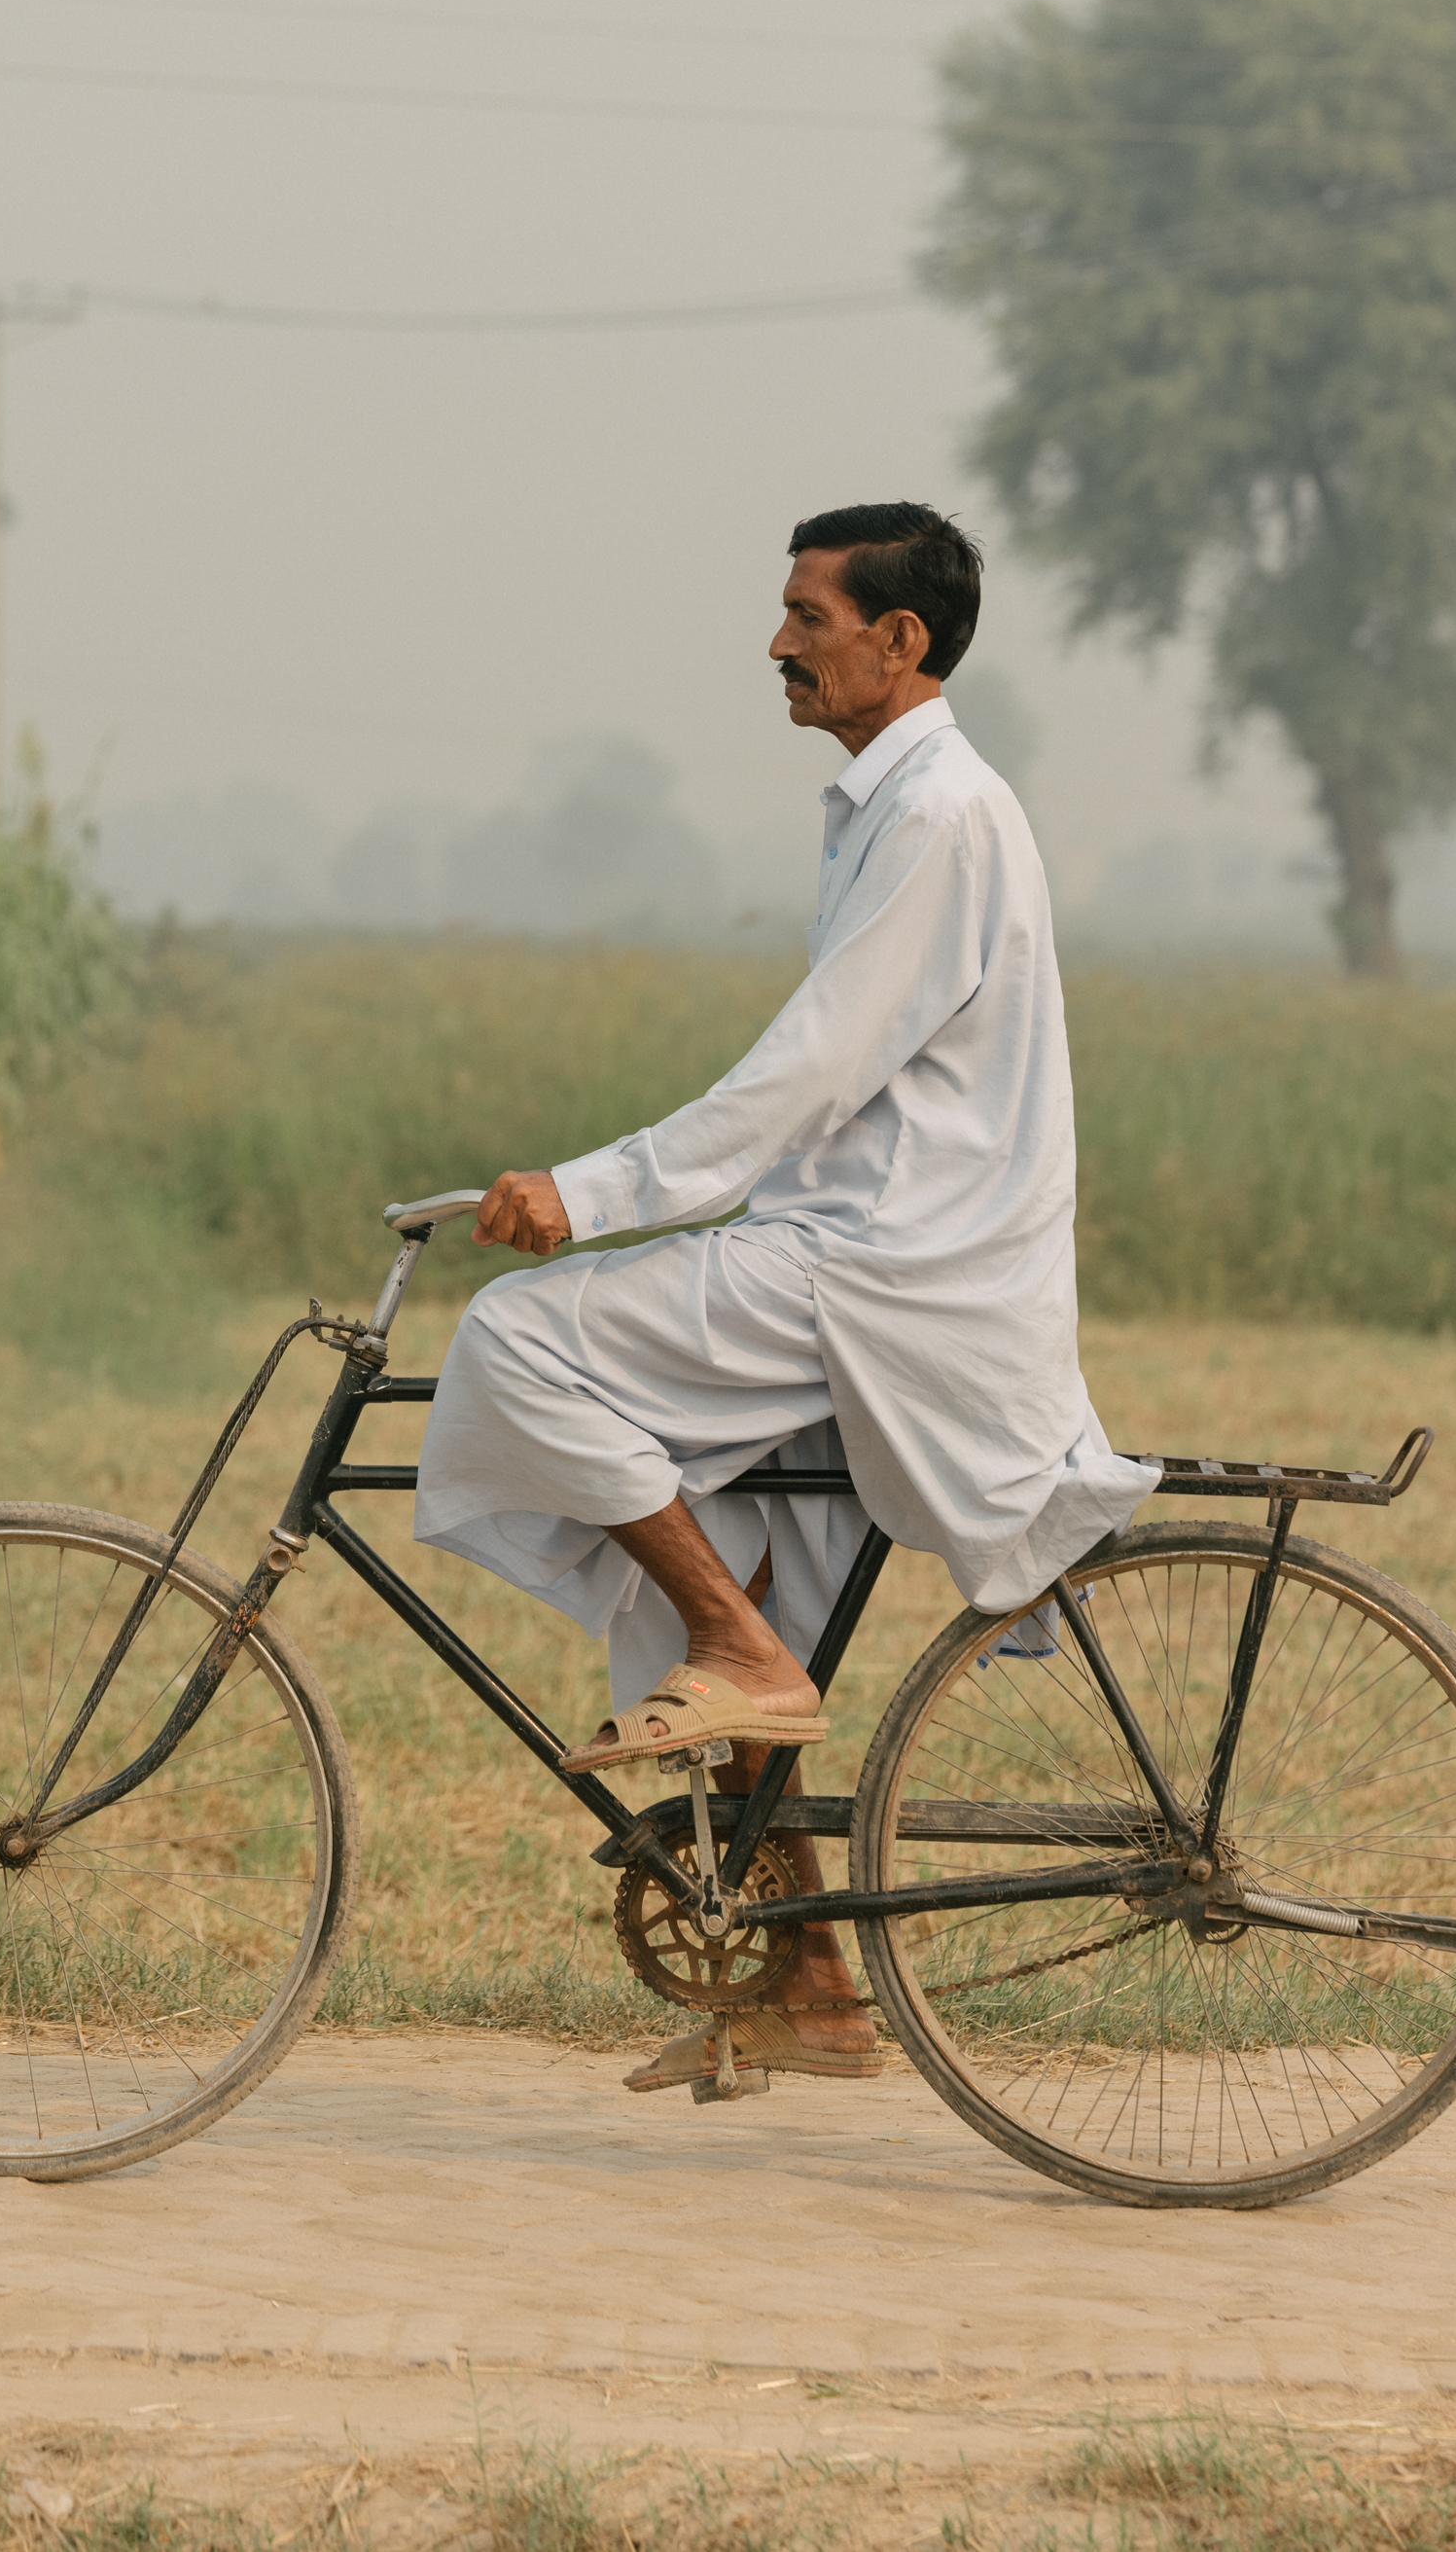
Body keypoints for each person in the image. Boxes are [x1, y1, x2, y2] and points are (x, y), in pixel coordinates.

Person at [408, 503, 1151, 2091]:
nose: (778, 642)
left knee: (520, 1338)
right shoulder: (894, 806)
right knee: (708, 1547)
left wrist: (592, 1194)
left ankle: (749, 1650)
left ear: (903, 641)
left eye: (811, 615)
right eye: (787, 610)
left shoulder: (942, 813)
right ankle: (813, 1977)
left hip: (882, 1266)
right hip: (864, 1250)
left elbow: (808, 1071)